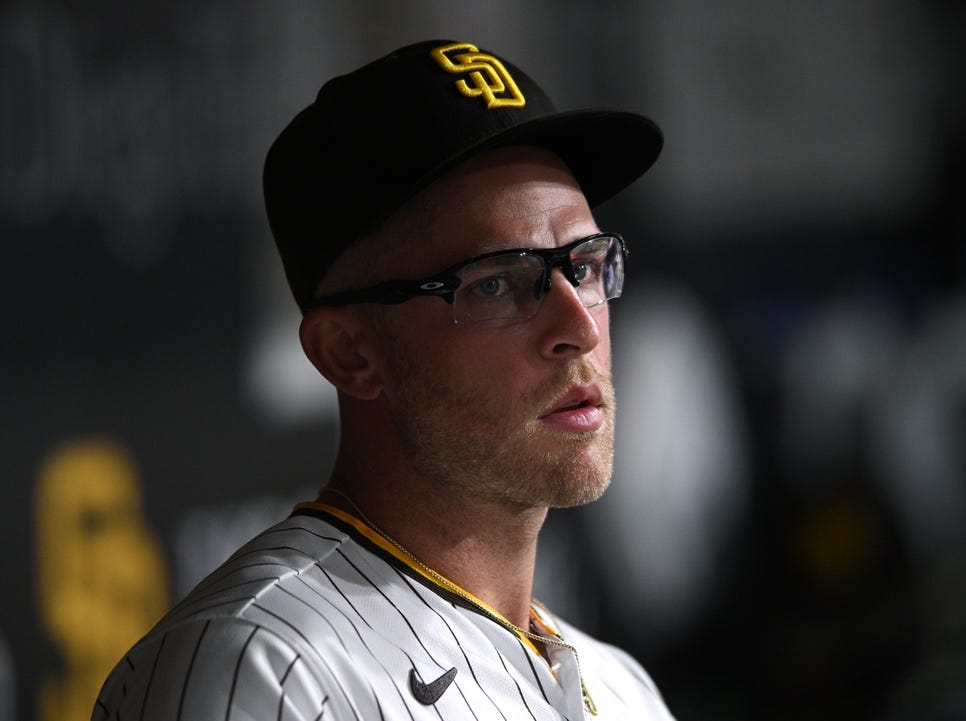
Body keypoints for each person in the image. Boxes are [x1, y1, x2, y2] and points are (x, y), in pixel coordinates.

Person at [91, 38, 671, 720]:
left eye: (586, 264)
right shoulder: (264, 668)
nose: (581, 326)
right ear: (348, 353)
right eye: (495, 284)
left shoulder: (623, 685)